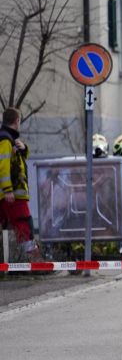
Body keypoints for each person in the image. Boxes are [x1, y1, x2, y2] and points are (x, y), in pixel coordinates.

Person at [0, 108, 41, 261]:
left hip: (10, 194)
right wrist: (8, 190)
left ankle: (19, 262)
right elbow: (3, 167)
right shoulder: (5, 140)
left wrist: (24, 149)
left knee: (10, 226)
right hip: (13, 194)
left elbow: (16, 161)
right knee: (23, 223)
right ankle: (32, 261)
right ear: (17, 121)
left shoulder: (9, 139)